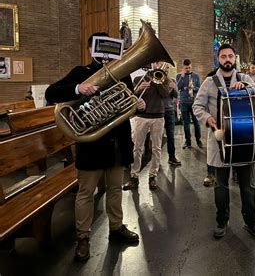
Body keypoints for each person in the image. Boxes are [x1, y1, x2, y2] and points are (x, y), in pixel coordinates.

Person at [45, 32, 141, 262]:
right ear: (91, 50)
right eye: (100, 48)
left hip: (118, 143)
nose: (105, 53)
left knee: (116, 189)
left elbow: (128, 101)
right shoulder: (81, 73)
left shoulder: (123, 74)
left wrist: (138, 104)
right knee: (86, 193)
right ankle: (83, 237)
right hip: (92, 145)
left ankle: (116, 227)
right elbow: (51, 93)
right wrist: (79, 89)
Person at [193, 43, 255, 239]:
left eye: (230, 56)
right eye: (223, 56)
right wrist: (207, 118)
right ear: (218, 59)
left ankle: (251, 221)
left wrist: (247, 87)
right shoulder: (209, 82)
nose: (227, 59)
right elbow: (197, 106)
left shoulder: (244, 78)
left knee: (247, 186)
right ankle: (221, 220)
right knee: (221, 186)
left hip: (244, 140)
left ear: (235, 59)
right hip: (220, 142)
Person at [123, 62, 173, 190]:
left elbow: (165, 94)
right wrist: (139, 88)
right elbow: (131, 95)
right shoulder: (138, 79)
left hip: (158, 116)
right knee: (137, 148)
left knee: (156, 148)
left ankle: (152, 176)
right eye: (156, 63)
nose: (158, 65)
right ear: (152, 63)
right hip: (142, 116)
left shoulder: (165, 79)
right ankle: (134, 177)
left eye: (159, 63)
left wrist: (159, 80)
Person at [176, 59, 203, 149]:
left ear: (191, 66)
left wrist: (193, 87)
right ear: (183, 67)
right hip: (183, 102)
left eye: (189, 67)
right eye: (186, 68)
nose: (188, 69)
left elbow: (199, 88)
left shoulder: (196, 76)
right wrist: (182, 76)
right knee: (186, 123)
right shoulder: (179, 76)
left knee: (196, 122)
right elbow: (178, 87)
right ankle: (188, 141)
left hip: (194, 102)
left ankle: (198, 140)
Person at [163, 67, 181, 166]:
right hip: (159, 111)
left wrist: (173, 87)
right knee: (156, 138)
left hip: (169, 111)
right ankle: (156, 160)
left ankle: (172, 156)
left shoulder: (171, 80)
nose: (165, 71)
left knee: (171, 136)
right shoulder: (155, 79)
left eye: (166, 70)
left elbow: (175, 95)